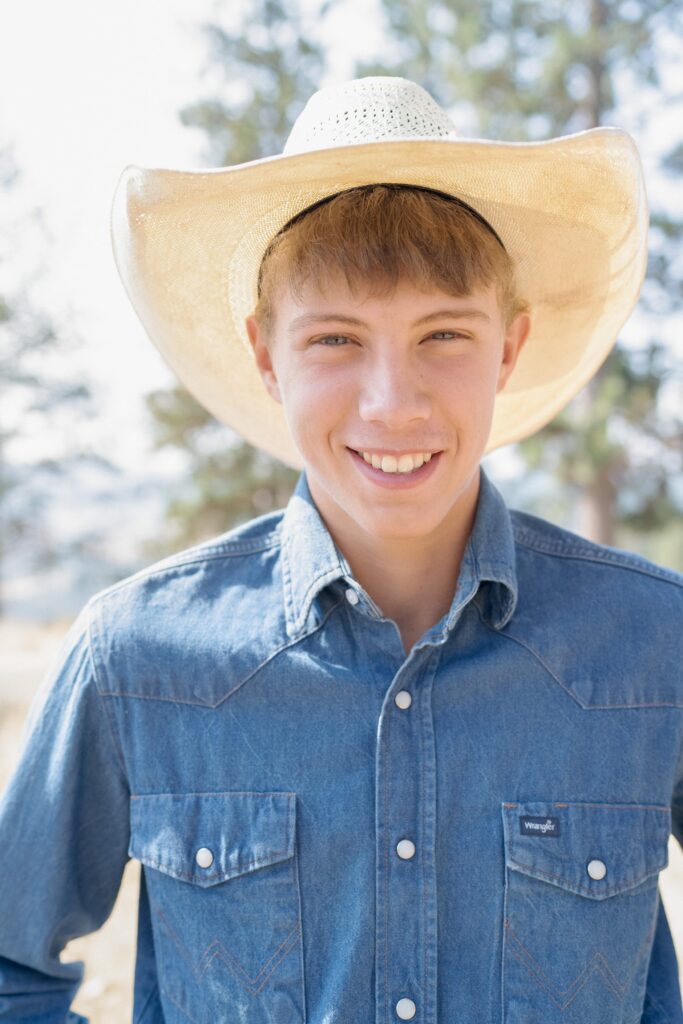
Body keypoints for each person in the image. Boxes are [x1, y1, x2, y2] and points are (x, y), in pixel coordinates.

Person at [0, 75, 681, 1024]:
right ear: (266, 355)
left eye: (444, 333)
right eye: (334, 339)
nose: (390, 401)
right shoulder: (136, 660)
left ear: (509, 349)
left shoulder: (655, 644)